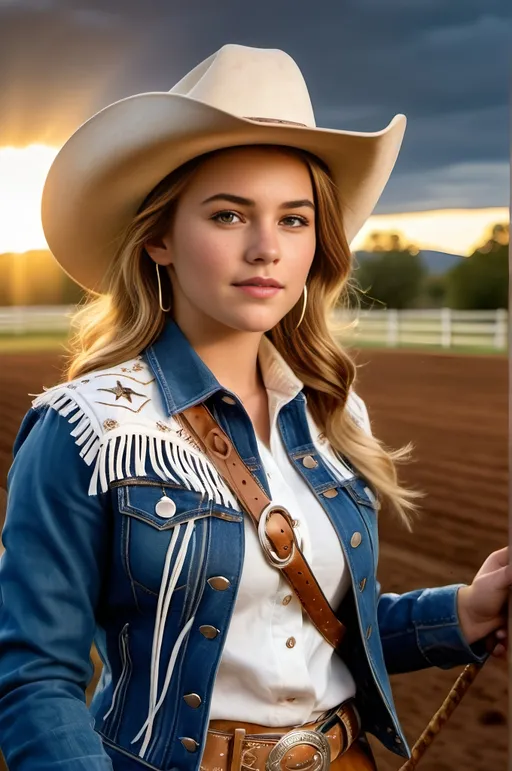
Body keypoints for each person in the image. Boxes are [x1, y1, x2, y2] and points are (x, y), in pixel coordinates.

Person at [0, 44, 508, 771]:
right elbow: (35, 683)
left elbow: (312, 637)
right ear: (159, 238)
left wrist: (463, 611)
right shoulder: (90, 430)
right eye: (230, 214)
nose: (267, 247)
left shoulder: (334, 416)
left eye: (294, 219)